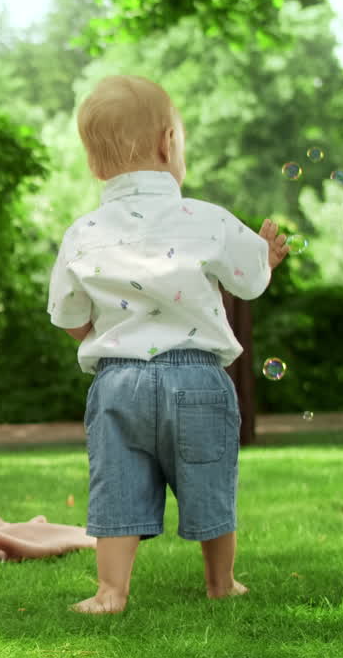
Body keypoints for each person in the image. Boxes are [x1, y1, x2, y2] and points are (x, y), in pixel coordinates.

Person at [48, 75, 290, 614]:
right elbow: (247, 282)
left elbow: (67, 313)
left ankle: (111, 591)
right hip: (197, 378)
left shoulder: (83, 230)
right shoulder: (206, 218)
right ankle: (221, 581)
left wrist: (97, 336)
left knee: (116, 482)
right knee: (210, 477)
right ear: (168, 143)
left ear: (93, 164)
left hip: (118, 383)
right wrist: (266, 259)